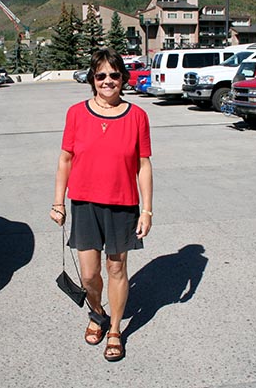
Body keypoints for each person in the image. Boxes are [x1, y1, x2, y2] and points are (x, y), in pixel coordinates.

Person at [50, 48, 153, 362]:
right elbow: (65, 160)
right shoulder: (76, 113)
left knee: (116, 268)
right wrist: (58, 202)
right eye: (101, 75)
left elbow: (143, 165)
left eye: (114, 75)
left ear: (123, 78)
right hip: (84, 204)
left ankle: (115, 330)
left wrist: (147, 210)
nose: (108, 81)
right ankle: (97, 313)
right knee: (89, 274)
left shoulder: (137, 116)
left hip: (122, 205)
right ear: (92, 79)